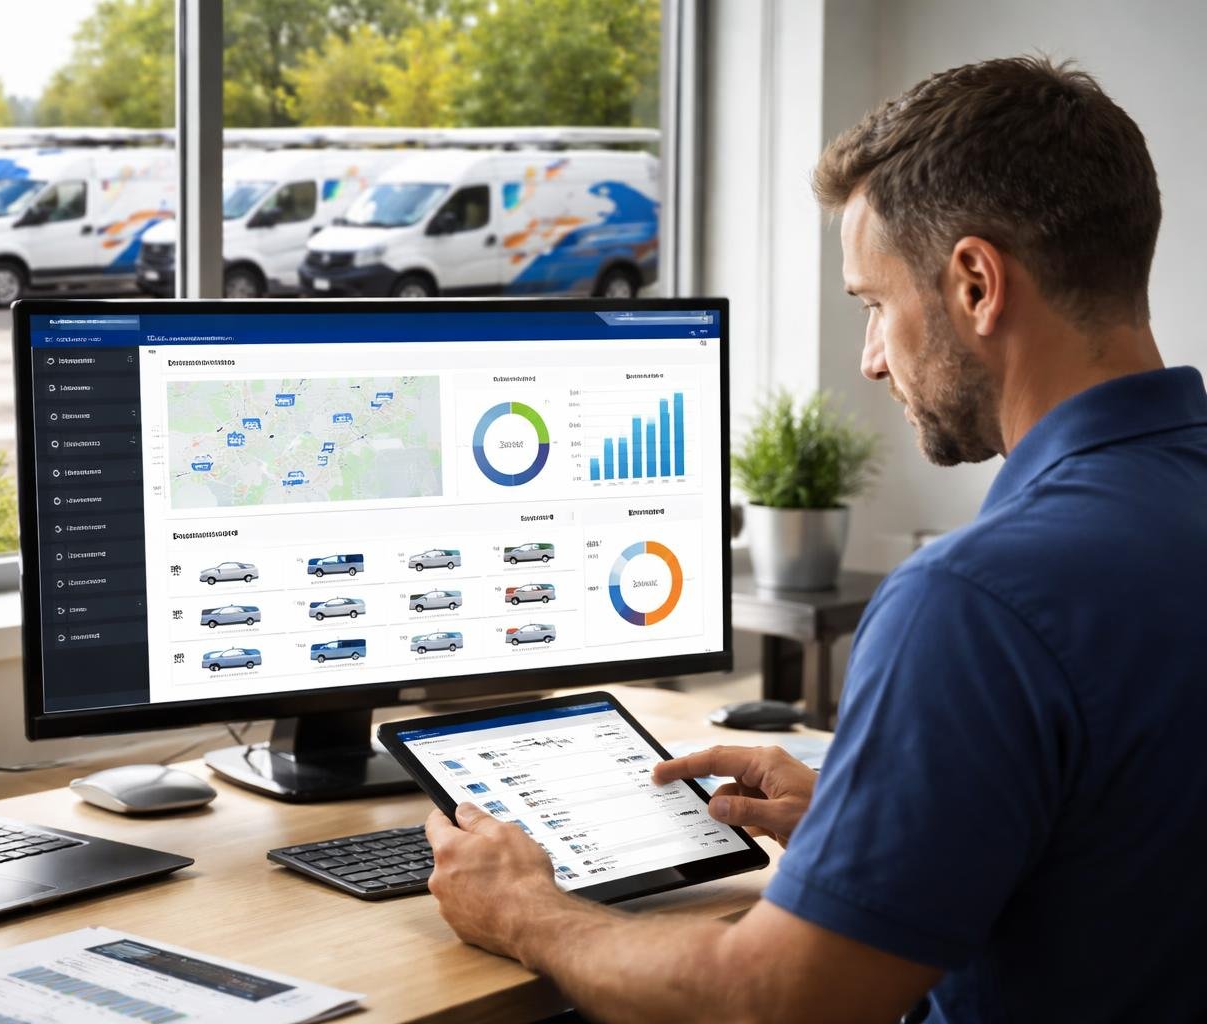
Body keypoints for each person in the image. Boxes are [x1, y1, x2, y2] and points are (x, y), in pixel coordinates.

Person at [425, 55, 1207, 1023]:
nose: (873, 359)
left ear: (974, 283)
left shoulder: (976, 597)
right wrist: (878, 814)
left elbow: (774, 1000)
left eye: (874, 305)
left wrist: (529, 911)